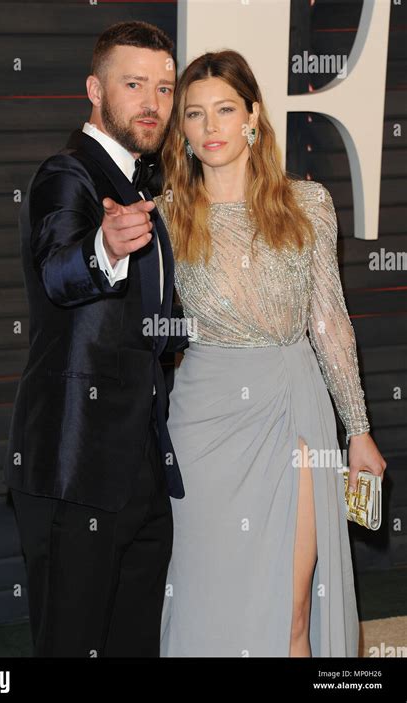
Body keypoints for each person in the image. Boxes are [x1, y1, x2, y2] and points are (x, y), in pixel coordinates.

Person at [153, 50, 387, 657]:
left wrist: (357, 429)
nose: (211, 127)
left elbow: (329, 322)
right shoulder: (165, 218)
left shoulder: (307, 204)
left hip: (294, 412)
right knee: (208, 605)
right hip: (204, 427)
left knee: (293, 609)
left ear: (253, 115)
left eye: (225, 109)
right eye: (196, 114)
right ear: (182, 128)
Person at [3, 21, 183, 657]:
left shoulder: (141, 186)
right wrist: (103, 248)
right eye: (134, 85)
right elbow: (59, 268)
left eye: (164, 87)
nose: (152, 103)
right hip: (71, 465)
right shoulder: (67, 175)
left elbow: (156, 325)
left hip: (137, 466)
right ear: (94, 89)